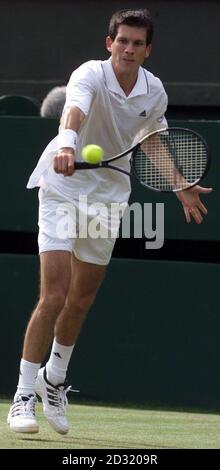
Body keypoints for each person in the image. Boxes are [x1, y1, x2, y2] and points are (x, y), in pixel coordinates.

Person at [7, 8, 212, 435]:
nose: (129, 49)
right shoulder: (90, 74)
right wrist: (66, 145)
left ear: (147, 50)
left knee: (81, 298)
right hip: (62, 185)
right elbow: (74, 111)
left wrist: (179, 184)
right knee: (55, 293)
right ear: (110, 43)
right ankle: (24, 394)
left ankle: (54, 380)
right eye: (123, 41)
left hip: (108, 194)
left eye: (138, 43)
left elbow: (151, 140)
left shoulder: (154, 92)